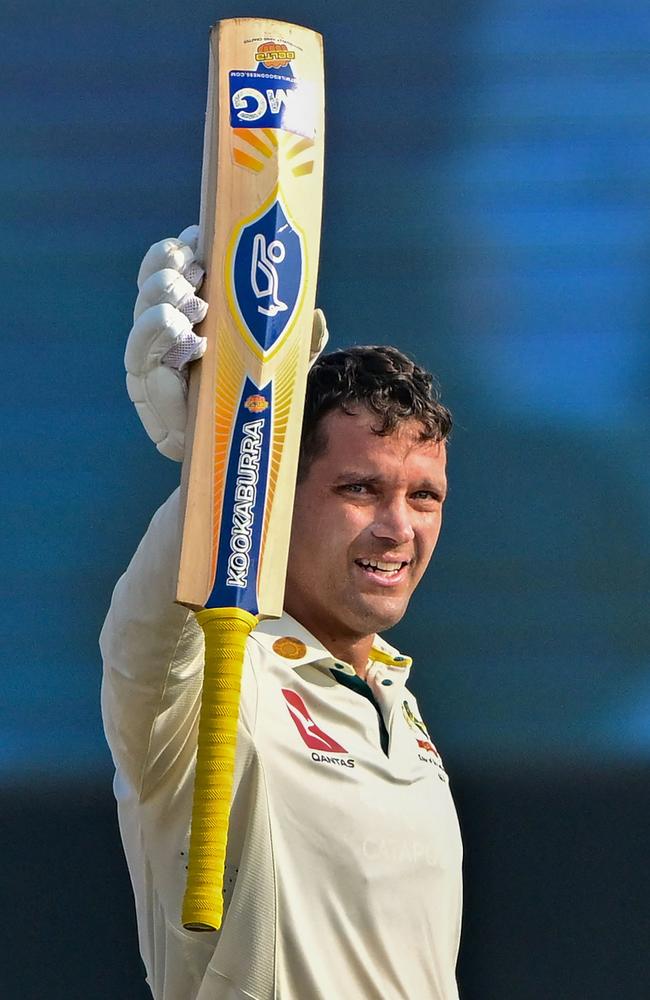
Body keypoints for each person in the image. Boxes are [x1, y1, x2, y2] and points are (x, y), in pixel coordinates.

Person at [101, 227, 462, 1000]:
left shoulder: (394, 695)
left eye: (423, 496)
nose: (399, 528)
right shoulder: (217, 682)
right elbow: (149, 637)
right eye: (360, 489)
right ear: (279, 501)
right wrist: (226, 456)